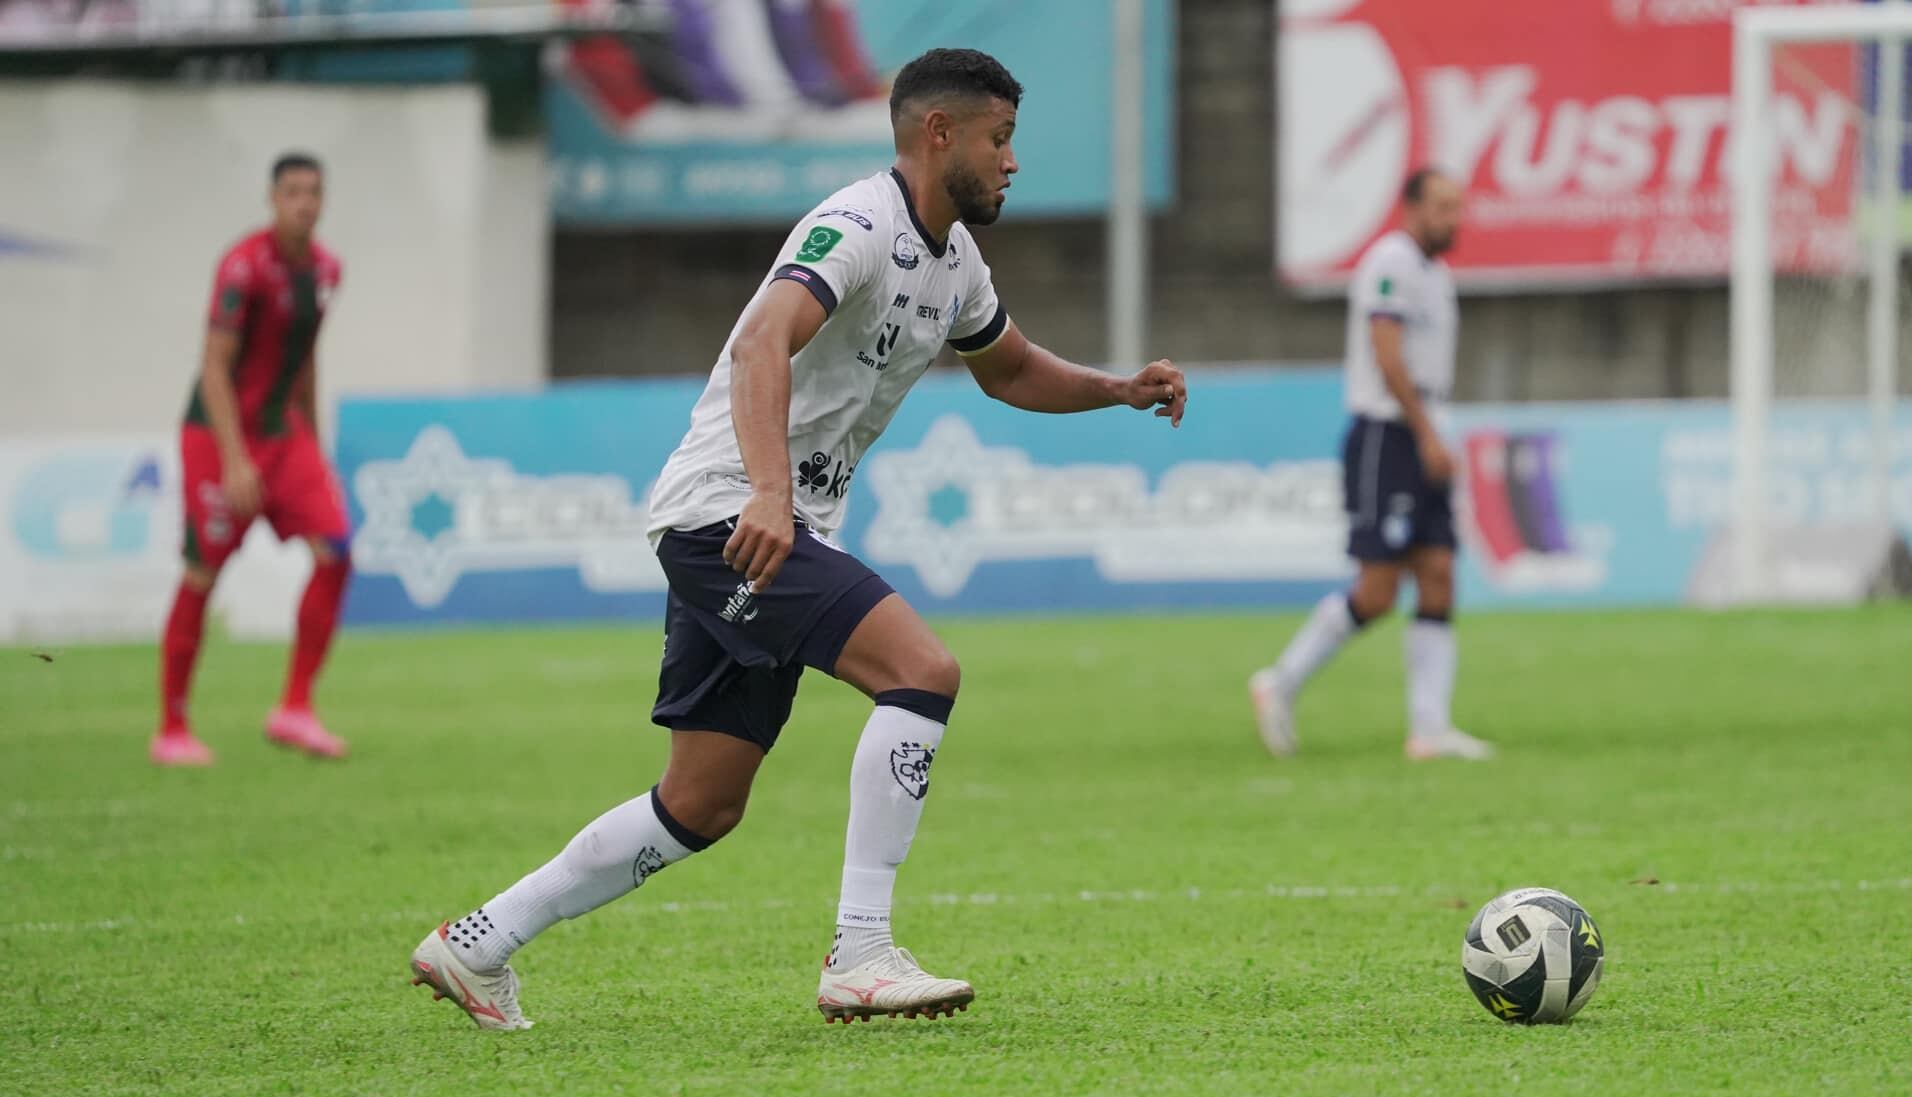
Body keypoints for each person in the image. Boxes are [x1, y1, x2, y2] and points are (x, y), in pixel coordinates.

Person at [408, 47, 1188, 1030]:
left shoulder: (955, 262)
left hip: (760, 529)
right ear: (938, 132)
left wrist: (1118, 389)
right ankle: (860, 952)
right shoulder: (854, 225)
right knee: (922, 672)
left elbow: (1011, 369)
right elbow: (759, 341)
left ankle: (477, 943)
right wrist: (772, 495)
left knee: (700, 804)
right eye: (999, 139)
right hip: (729, 515)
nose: (1011, 161)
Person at [1249, 168, 1493, 763]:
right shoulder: (1392, 262)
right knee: (1379, 589)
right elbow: (1387, 356)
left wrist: (1437, 432)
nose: (1454, 218)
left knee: (1439, 572)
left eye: (1458, 207)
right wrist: (1427, 434)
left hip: (1424, 431)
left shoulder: (1436, 275)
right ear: (1412, 208)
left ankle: (1430, 729)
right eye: (1442, 206)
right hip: (1389, 436)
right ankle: (1280, 681)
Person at [152, 153, 351, 768]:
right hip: (219, 436)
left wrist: (314, 447)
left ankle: (295, 708)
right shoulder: (243, 267)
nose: (305, 203)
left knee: (337, 548)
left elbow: (305, 358)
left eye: (314, 191)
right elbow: (213, 366)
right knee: (202, 572)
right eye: (293, 191)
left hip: (284, 434)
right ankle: (172, 728)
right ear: (272, 198)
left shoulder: (325, 270)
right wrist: (235, 460)